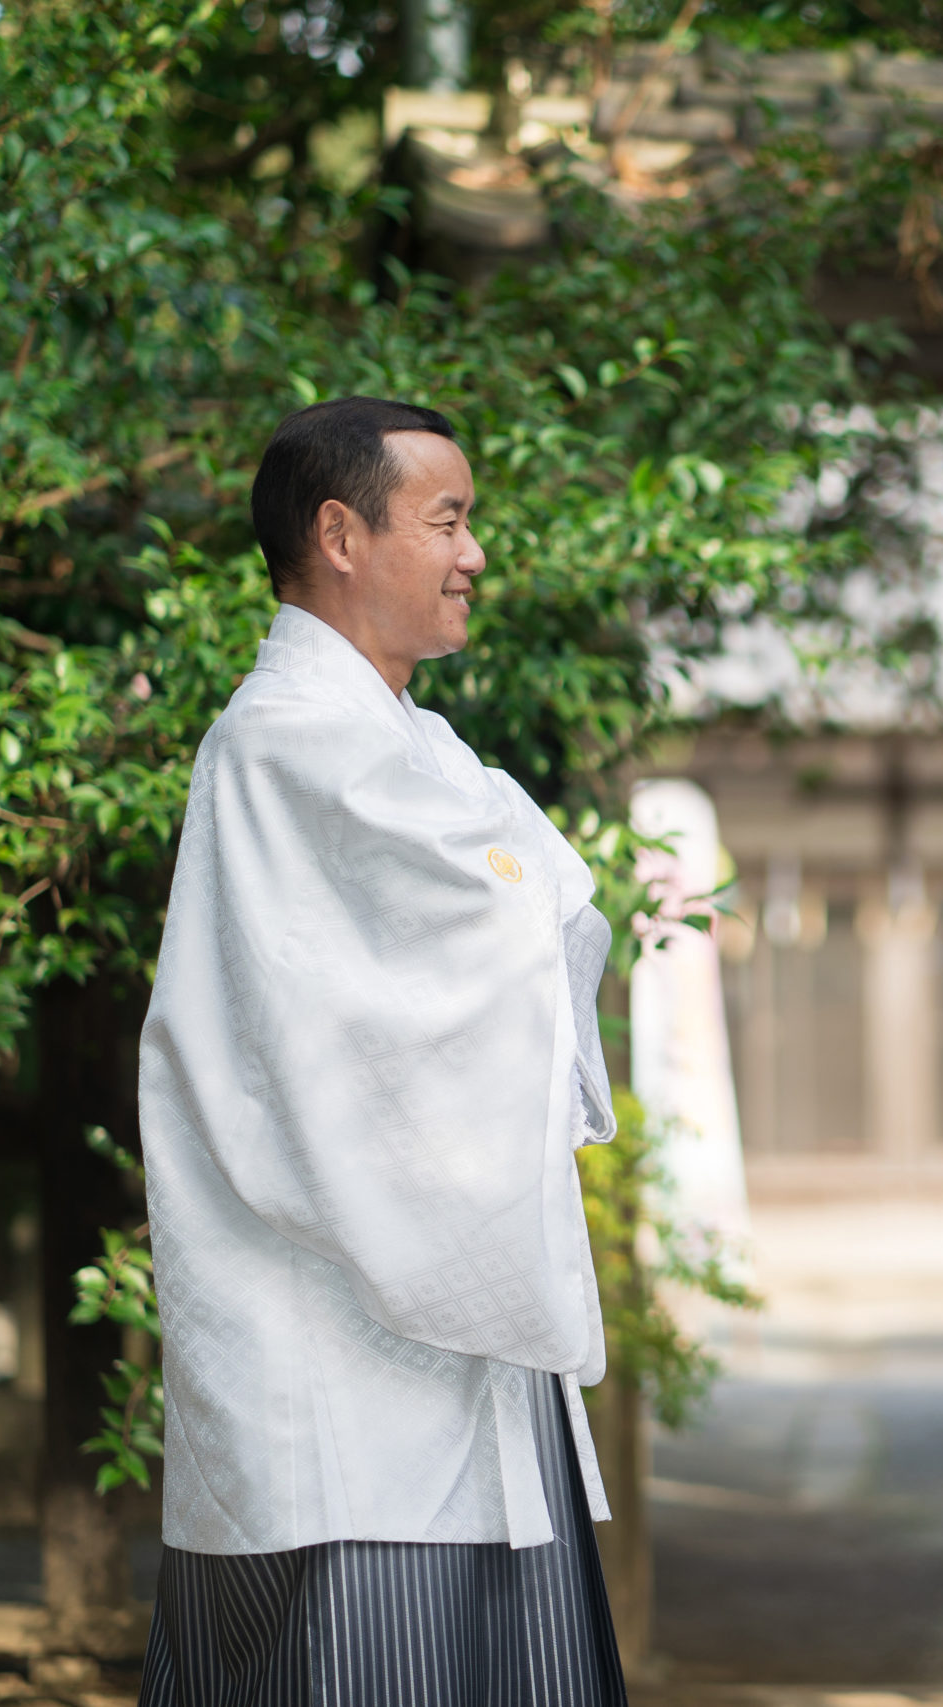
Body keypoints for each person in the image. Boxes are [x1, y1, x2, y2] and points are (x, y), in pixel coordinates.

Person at [137, 397, 627, 1705]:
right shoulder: (285, 742)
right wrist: (523, 895)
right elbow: (505, 921)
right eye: (448, 520)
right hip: (337, 1347)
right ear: (340, 535)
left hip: (456, 1314)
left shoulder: (414, 744)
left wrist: (521, 898)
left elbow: (529, 913)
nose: (474, 553)